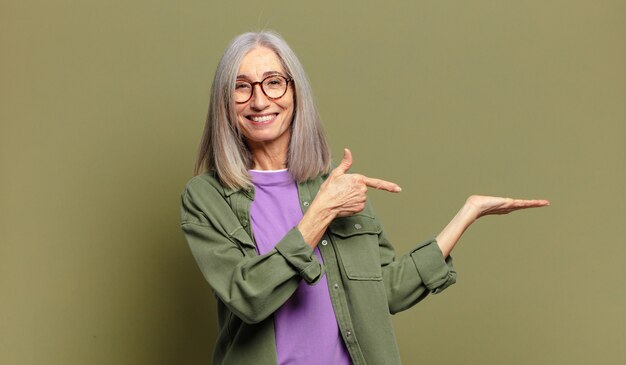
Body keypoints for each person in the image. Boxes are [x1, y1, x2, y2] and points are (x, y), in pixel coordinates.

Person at [179, 31, 549, 365]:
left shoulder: (335, 187)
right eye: (242, 87)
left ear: (295, 92)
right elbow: (249, 298)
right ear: (225, 102)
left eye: (274, 83)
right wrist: (319, 214)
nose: (260, 100)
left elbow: (382, 292)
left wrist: (467, 215)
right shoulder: (207, 199)